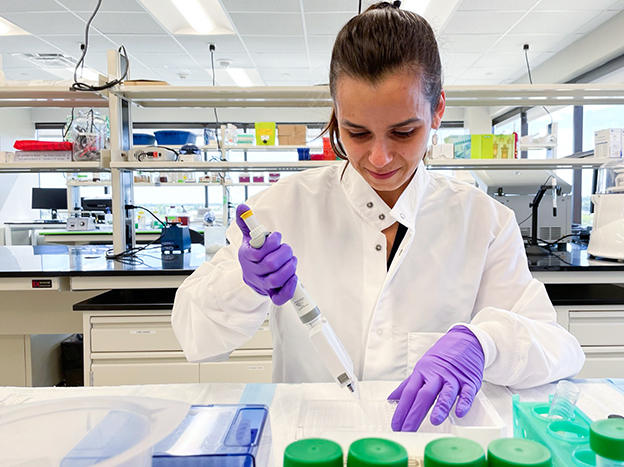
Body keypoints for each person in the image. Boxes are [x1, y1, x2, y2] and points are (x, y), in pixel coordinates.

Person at [171, 1, 585, 432]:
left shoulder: (483, 220)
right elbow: (194, 336)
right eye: (357, 132)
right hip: (312, 445)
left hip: (435, 449)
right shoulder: (281, 208)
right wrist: (242, 283)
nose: (380, 157)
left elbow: (560, 348)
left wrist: (484, 342)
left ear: (438, 110)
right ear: (336, 114)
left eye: (404, 132)